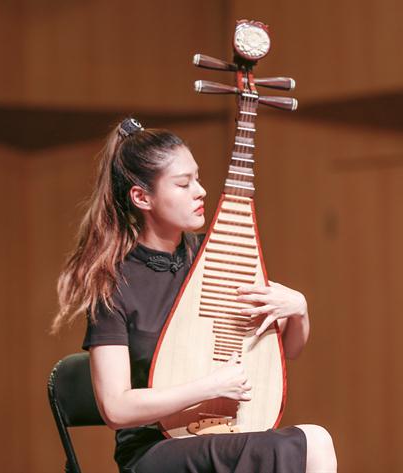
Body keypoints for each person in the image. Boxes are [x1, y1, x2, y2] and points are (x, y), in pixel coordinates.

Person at [51, 117, 337, 473]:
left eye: (198, 179)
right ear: (142, 197)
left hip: (223, 432)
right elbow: (116, 409)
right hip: (153, 449)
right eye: (183, 184)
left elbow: (287, 351)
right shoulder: (113, 285)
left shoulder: (215, 256)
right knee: (313, 442)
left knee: (314, 442)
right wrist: (209, 387)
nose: (200, 191)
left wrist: (298, 311)